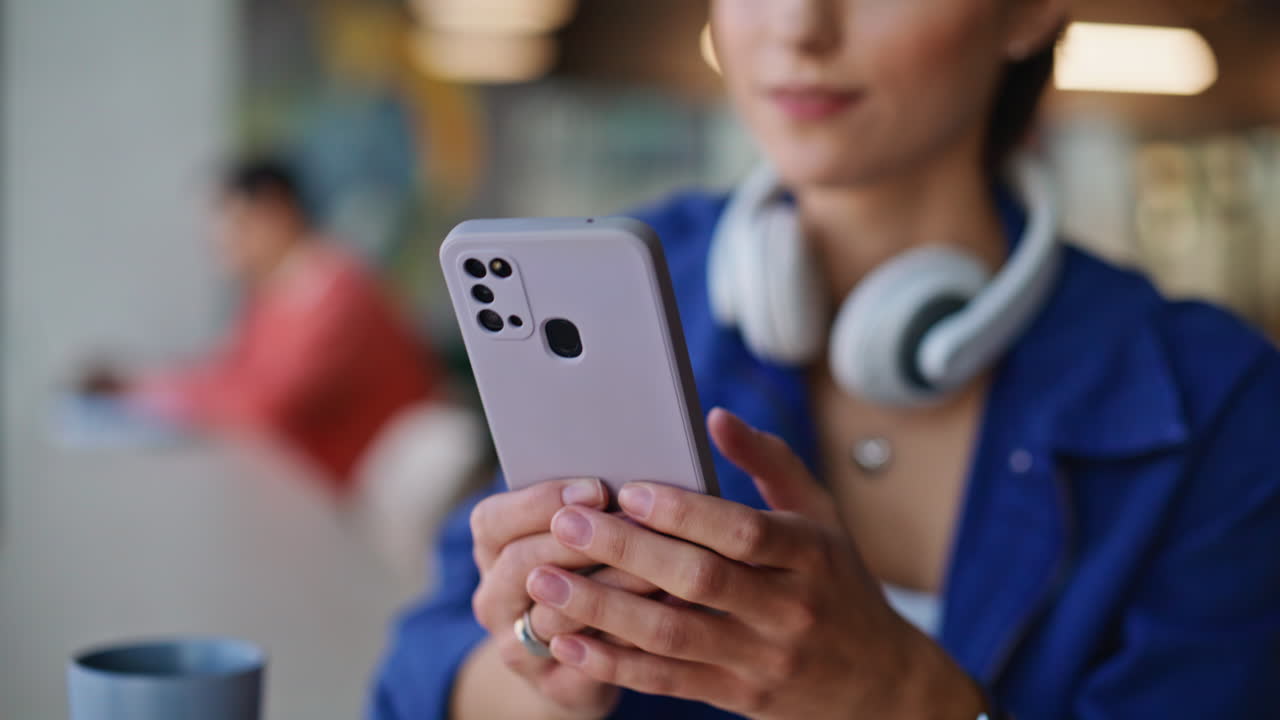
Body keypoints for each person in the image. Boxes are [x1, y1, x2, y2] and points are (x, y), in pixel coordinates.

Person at [371, 1, 1280, 718]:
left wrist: (907, 699)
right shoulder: (629, 286)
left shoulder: (1218, 403)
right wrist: (545, 674)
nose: (798, 26)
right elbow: (414, 680)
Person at [90, 158, 440, 494]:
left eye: (234, 223)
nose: (219, 241)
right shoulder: (277, 295)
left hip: (344, 496)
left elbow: (266, 408)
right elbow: (232, 377)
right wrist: (140, 386)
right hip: (300, 485)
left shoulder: (338, 296)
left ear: (276, 213)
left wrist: (154, 395)